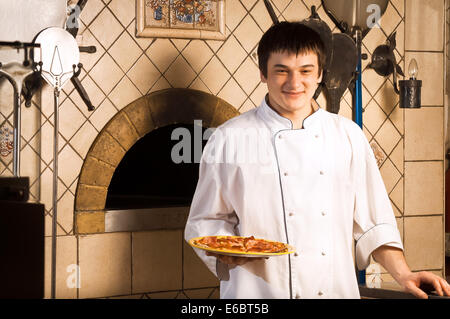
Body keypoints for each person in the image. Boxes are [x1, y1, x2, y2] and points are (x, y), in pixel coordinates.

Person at [184, 21, 450, 299]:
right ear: (263, 73)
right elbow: (205, 221)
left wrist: (404, 274)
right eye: (281, 71)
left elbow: (375, 222)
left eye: (305, 71)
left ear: (320, 73)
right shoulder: (229, 138)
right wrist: (224, 251)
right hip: (257, 292)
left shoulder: (348, 135)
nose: (294, 83)